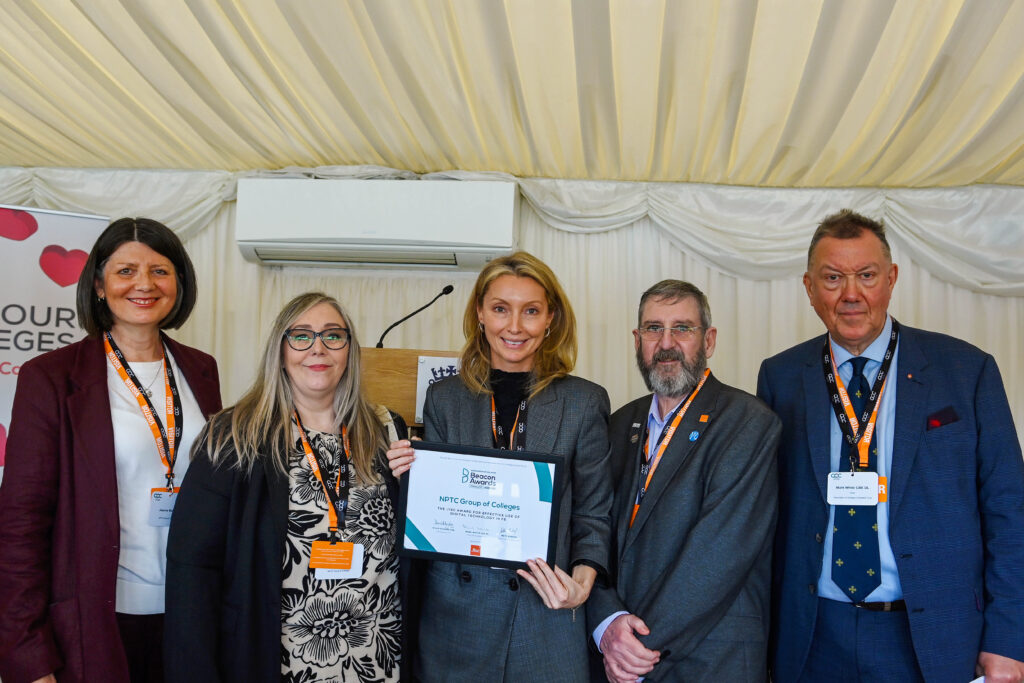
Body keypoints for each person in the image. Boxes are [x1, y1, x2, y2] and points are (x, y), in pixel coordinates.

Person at [758, 209, 1024, 683]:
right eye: (833, 278)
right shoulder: (780, 377)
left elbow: (1010, 513)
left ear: (892, 278)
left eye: (866, 275)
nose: (852, 294)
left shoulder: (966, 370)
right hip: (815, 635)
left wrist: (1007, 641)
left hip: (934, 635)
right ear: (809, 287)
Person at [0, 217, 221, 683]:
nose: (144, 284)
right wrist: (29, 655)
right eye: (126, 271)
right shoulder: (52, 377)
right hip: (96, 617)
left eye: (160, 270)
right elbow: (21, 522)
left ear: (179, 282)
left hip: (189, 613)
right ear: (98, 285)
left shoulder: (201, 370)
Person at [387, 251, 613, 682]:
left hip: (545, 619)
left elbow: (594, 514)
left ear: (551, 319)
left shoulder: (584, 402)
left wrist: (580, 586)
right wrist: (408, 475)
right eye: (500, 309)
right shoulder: (445, 398)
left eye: (530, 311)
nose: (514, 326)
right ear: (479, 314)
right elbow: (435, 510)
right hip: (456, 622)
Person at [164, 291, 407, 683]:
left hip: (377, 662)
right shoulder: (234, 438)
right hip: (276, 664)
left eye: (333, 335)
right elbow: (192, 571)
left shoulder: (385, 431)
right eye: (301, 336)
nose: (318, 348)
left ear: (350, 350)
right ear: (281, 349)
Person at [587, 280, 781, 683]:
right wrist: (607, 624)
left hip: (708, 662)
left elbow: (718, 557)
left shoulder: (749, 422)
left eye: (683, 328)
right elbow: (592, 530)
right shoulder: (619, 424)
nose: (666, 342)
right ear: (637, 340)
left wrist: (634, 649)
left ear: (708, 340)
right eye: (654, 328)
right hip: (621, 655)